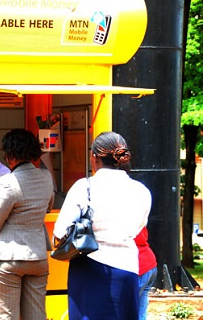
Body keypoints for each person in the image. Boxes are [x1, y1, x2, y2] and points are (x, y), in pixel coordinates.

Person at [53, 131, 152, 320]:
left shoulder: (84, 186)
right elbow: (139, 227)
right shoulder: (142, 191)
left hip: (88, 268)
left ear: (94, 157)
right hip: (128, 267)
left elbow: (60, 230)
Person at [0, 128, 54, 320]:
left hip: (6, 258)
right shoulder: (46, 177)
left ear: (9, 156)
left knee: (5, 316)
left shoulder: (7, 181)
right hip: (37, 257)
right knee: (36, 316)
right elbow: (47, 207)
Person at [136, 226, 158, 320]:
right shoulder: (139, 217)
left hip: (139, 265)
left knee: (126, 307)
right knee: (140, 309)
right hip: (149, 262)